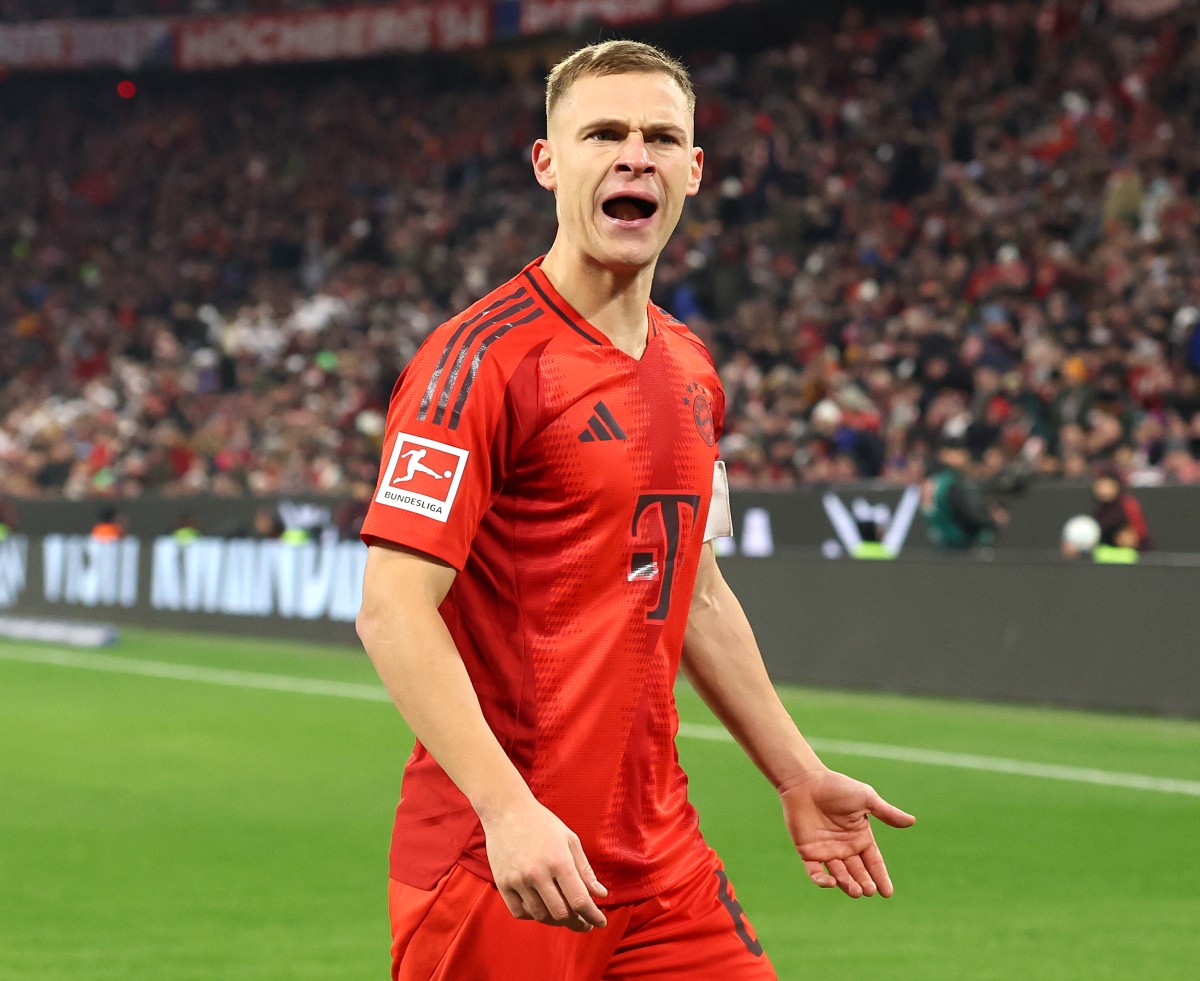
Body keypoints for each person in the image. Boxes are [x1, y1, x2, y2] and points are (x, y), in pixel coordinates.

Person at [356, 40, 915, 981]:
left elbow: (692, 585)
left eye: (661, 137)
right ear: (548, 162)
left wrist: (795, 769)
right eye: (603, 133)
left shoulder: (693, 367)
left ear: (693, 171)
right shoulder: (478, 362)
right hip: (501, 859)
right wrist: (507, 808)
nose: (634, 156)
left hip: (660, 860)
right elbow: (392, 607)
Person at [922, 435, 1005, 551]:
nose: (966, 455)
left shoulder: (933, 481)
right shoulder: (952, 483)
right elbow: (971, 513)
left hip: (938, 544)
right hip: (959, 546)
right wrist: (991, 520)